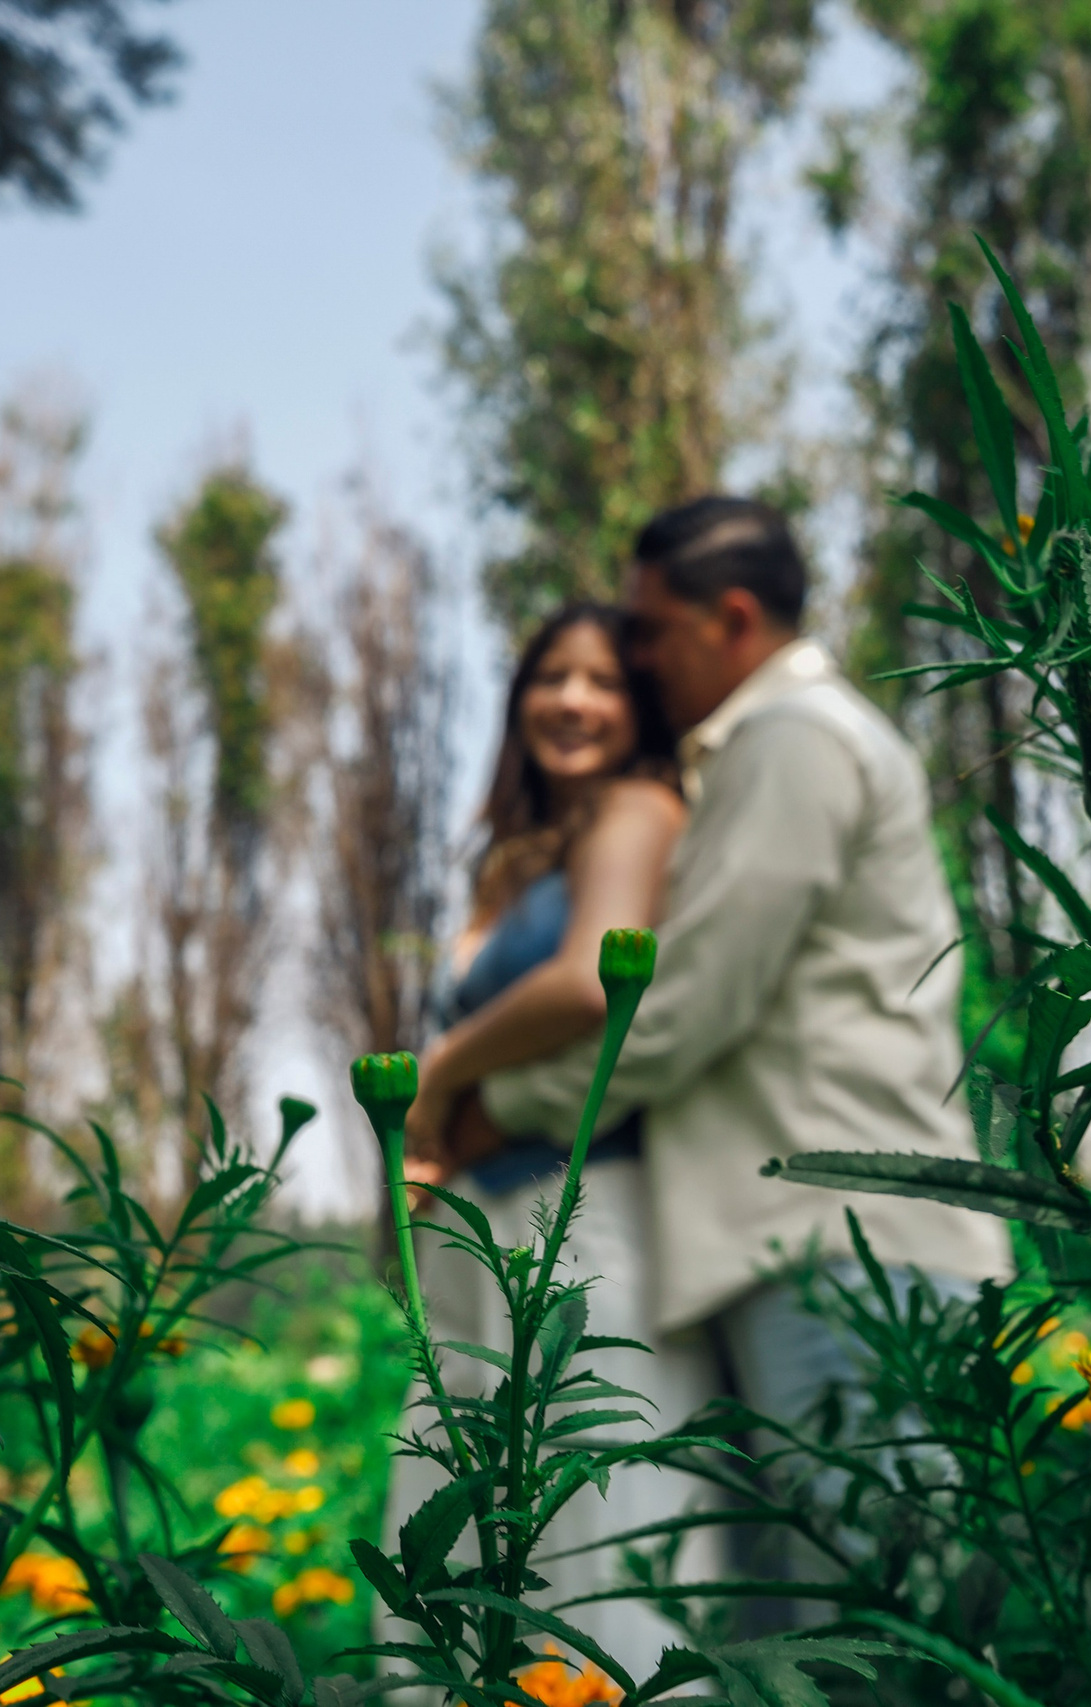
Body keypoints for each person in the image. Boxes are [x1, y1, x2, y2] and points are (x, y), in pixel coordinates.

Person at [473, 496, 1013, 1456]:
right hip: (820, 1246)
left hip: (845, 1248)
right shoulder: (776, 747)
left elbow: (685, 1004)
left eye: (648, 631)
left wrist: (504, 1102)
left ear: (730, 619)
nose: (637, 659)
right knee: (838, 1594)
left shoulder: (793, 740)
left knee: (881, 1585)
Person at [382, 601, 721, 1679]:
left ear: (641, 709)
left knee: (600, 1532)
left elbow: (587, 981)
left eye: (605, 682)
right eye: (551, 677)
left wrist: (435, 1075)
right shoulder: (508, 858)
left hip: (584, 1223)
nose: (573, 702)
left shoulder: (638, 807)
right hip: (472, 1229)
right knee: (447, 1533)